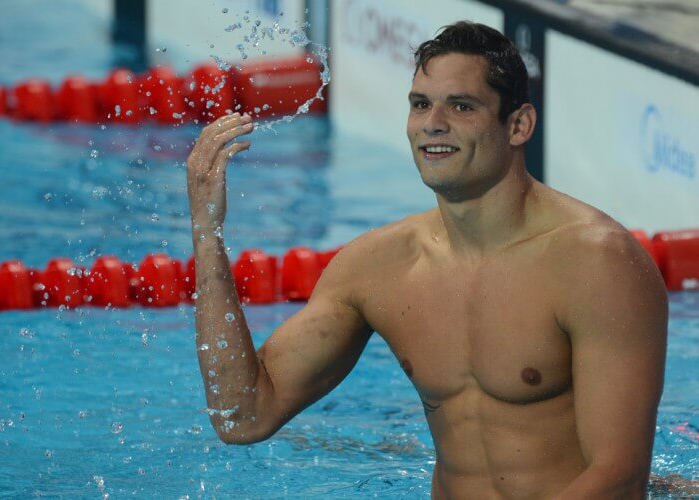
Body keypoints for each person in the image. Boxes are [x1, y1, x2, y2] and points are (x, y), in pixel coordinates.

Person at [186, 21, 668, 499]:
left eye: (461, 105)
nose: (433, 123)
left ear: (518, 125)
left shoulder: (597, 264)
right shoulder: (377, 268)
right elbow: (242, 415)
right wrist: (207, 234)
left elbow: (619, 482)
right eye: (420, 104)